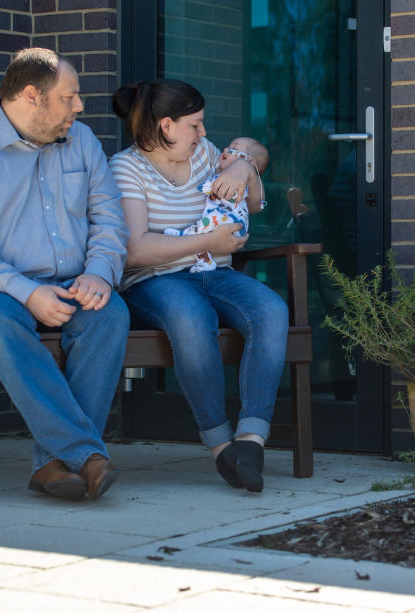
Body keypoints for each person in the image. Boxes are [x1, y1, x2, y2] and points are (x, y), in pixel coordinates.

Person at [0, 48, 130, 503]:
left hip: (69, 283)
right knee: (3, 319)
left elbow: (109, 221)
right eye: (69, 97)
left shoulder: (83, 142)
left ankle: (54, 466)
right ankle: (85, 454)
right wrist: (27, 291)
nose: (79, 106)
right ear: (32, 96)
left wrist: (98, 274)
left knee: (109, 313)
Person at [109, 79, 287, 493]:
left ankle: (251, 441)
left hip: (216, 273)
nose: (204, 133)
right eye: (196, 124)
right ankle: (221, 447)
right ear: (167, 125)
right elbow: (134, 251)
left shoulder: (206, 154)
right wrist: (207, 242)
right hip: (156, 280)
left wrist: (244, 166)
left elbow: (255, 201)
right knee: (193, 319)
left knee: (272, 311)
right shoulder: (126, 168)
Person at [163, 137, 269, 272]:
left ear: (250, 160)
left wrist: (247, 170)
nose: (225, 150)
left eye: (233, 149)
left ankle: (184, 236)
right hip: (221, 222)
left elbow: (261, 204)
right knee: (205, 233)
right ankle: (205, 260)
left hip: (228, 223)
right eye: (227, 147)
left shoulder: (243, 184)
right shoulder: (218, 169)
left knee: (205, 224)